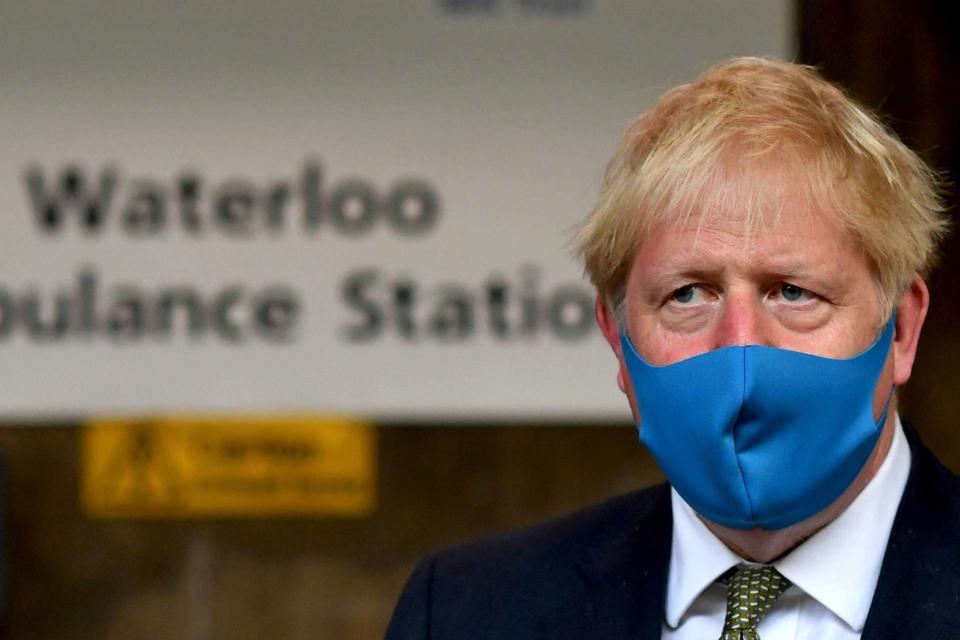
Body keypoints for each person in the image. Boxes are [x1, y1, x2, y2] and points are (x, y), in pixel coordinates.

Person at [385, 57, 958, 639]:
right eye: (688, 295)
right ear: (617, 339)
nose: (740, 348)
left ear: (902, 329)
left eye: (793, 292)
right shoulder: (464, 612)